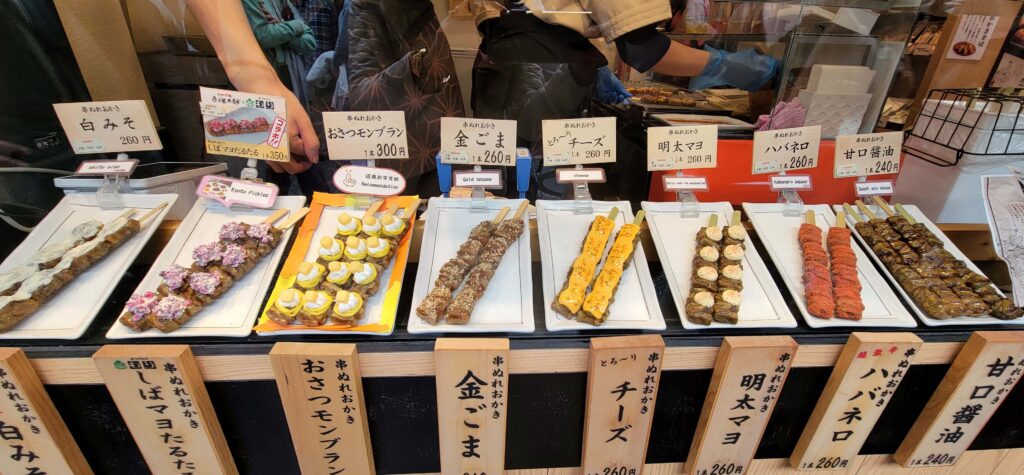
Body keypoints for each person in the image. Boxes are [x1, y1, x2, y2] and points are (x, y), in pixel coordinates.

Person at [467, 1, 778, 198]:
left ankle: (516, 283)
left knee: (503, 185)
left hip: (498, 58)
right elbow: (645, 50)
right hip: (545, 66)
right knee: (543, 189)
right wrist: (725, 64)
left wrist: (592, 63)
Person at [186, 0, 328, 198]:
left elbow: (308, 42)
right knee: (269, 155)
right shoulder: (255, 3)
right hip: (254, 92)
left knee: (291, 146)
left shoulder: (282, 3)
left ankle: (306, 197)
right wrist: (295, 28)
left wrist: (284, 32)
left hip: (285, 82)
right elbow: (265, 35)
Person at [338, 0, 466, 195]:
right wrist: (410, 67)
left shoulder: (419, 8)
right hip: (404, 148)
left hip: (439, 138)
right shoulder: (367, 6)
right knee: (407, 216)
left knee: (441, 209)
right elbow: (361, 93)